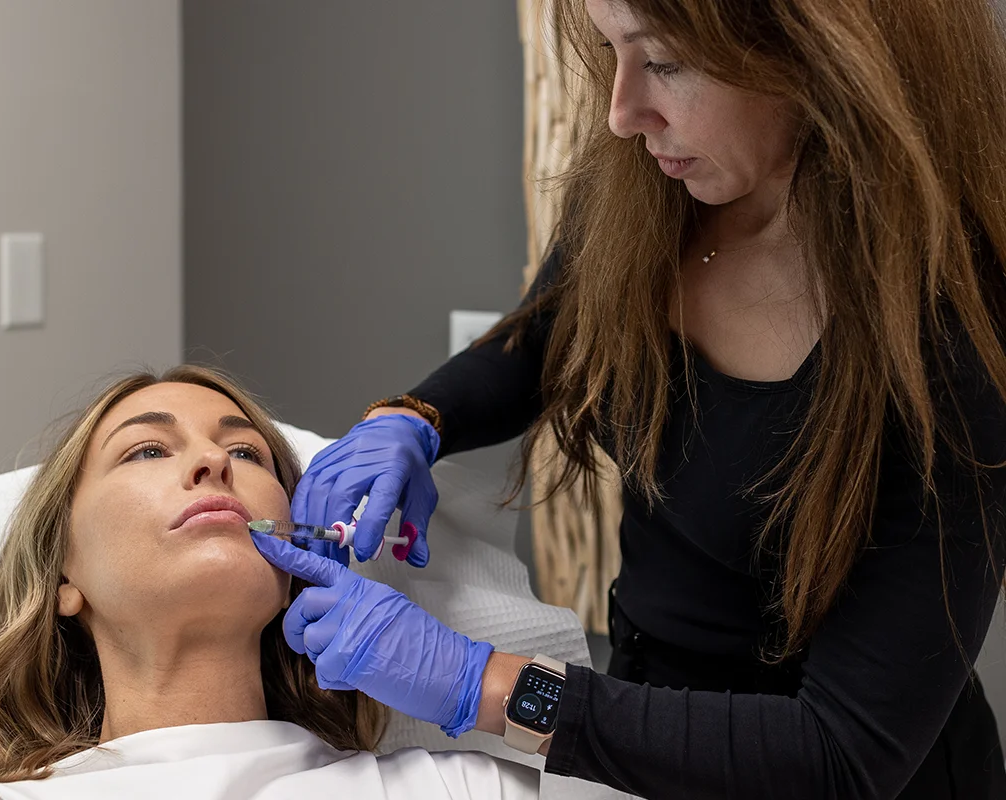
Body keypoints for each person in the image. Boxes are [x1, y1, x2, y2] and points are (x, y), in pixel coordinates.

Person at [256, 0, 1006, 796]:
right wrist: (415, 417)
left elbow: (841, 755)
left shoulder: (956, 333)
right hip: (640, 717)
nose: (622, 115)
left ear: (819, 52)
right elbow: (549, 336)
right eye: (612, 50)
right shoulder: (651, 182)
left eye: (666, 62)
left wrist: (482, 684)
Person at [0, 366, 537, 800]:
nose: (213, 460)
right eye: (147, 450)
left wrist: (488, 684)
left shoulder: (458, 789)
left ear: (296, 560)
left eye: (246, 453)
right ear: (63, 576)